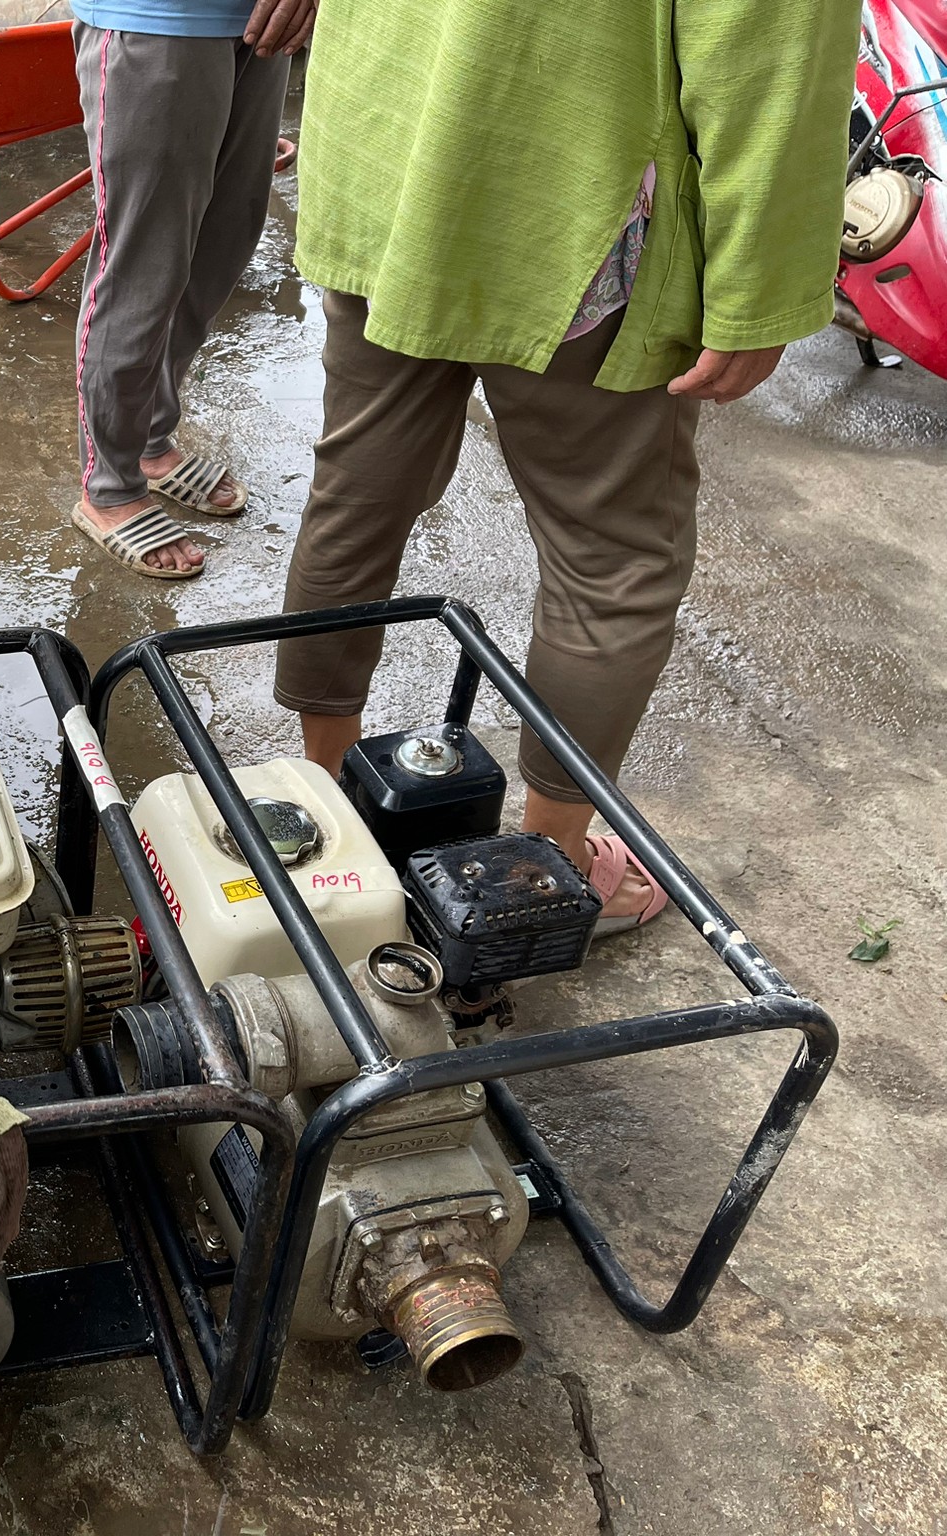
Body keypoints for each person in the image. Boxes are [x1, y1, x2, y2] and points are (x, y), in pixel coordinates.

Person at [273, 0, 856, 928]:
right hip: (568, 197)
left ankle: (324, 808)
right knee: (613, 557)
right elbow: (768, 57)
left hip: (388, 148)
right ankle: (539, 873)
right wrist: (763, 289)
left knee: (360, 487)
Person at [66, 0, 317, 579]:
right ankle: (110, 487)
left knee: (216, 256)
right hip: (156, 18)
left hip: (258, 25)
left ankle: (151, 442)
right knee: (142, 271)